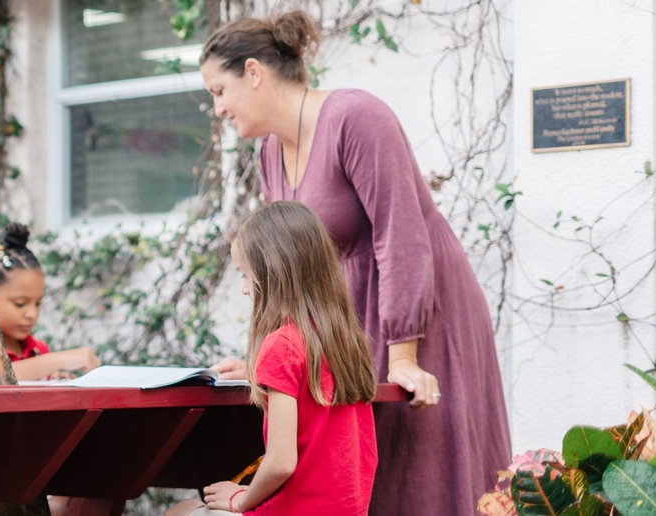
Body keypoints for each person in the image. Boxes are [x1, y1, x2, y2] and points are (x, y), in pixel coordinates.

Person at [199, 10, 510, 514]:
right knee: (359, 462)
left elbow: (401, 234)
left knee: (421, 459)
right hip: (346, 323)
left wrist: (403, 356)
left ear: (253, 72)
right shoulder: (268, 154)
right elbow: (289, 266)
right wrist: (266, 360)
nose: (217, 108)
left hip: (418, 308)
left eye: (218, 91)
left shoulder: (355, 116)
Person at [167, 201, 378, 516]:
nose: (243, 290)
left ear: (272, 272)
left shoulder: (281, 345)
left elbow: (280, 462)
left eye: (244, 275)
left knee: (179, 510)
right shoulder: (346, 340)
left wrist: (240, 499)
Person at [0, 222, 99, 380]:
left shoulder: (39, 349)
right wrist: (59, 360)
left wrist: (54, 377)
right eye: (20, 303)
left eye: (38, 303)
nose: (32, 314)